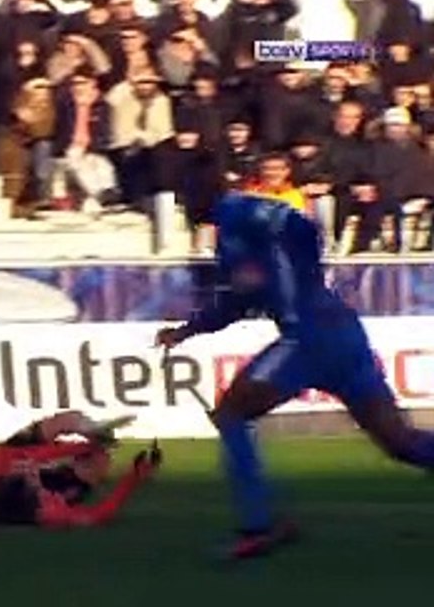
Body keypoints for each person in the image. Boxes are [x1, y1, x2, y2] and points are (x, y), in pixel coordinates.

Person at [155, 193, 434, 560]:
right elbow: (235, 302)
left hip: (307, 339)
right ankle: (262, 523)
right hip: (342, 333)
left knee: (232, 414)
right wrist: (187, 330)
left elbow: (298, 227)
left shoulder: (239, 217)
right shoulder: (233, 241)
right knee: (398, 440)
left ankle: (259, 526)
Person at [0, 411, 159, 527]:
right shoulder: (48, 511)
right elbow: (98, 515)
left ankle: (90, 427)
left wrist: (85, 445)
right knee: (97, 463)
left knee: (64, 423)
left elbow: (38, 453)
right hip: (29, 474)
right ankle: (92, 436)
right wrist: (133, 478)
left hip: (13, 451)